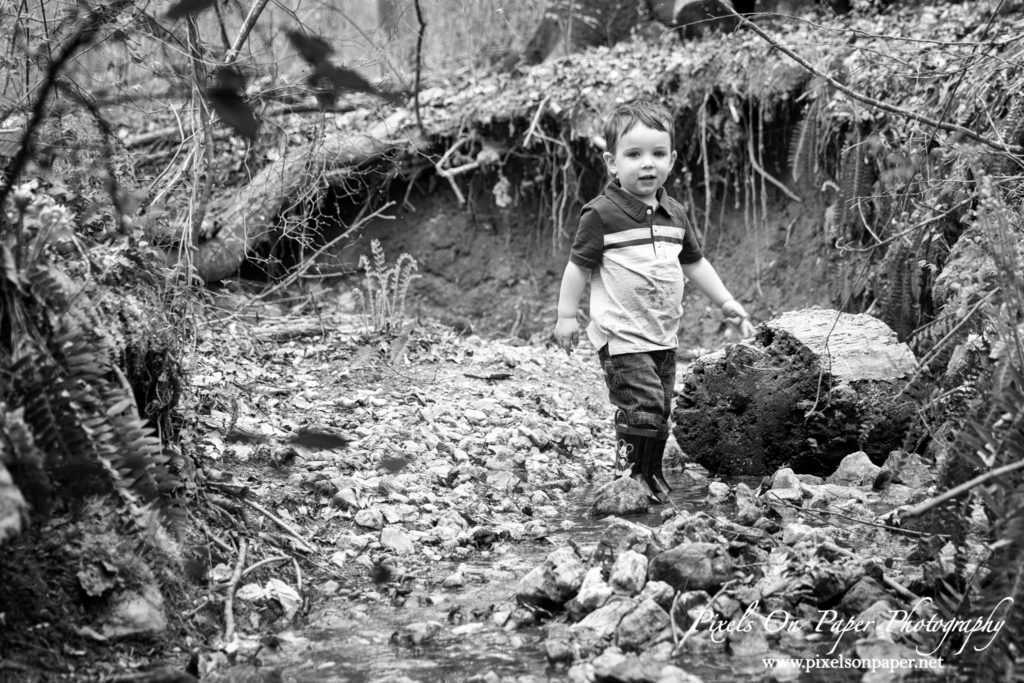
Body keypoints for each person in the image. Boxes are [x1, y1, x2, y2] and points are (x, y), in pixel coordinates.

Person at [553, 100, 755, 503]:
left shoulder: (674, 213)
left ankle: (651, 472)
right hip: (622, 334)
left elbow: (695, 263)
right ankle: (632, 475)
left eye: (657, 154)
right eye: (634, 154)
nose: (647, 164)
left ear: (673, 159)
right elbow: (577, 267)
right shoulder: (602, 214)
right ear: (612, 162)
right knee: (640, 404)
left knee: (660, 407)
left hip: (663, 333)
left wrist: (726, 301)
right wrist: (565, 316)